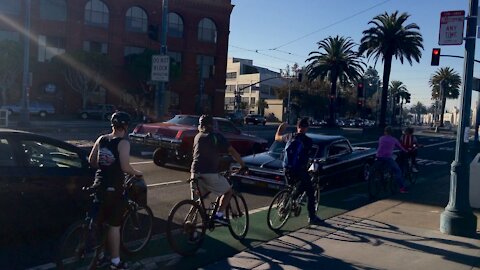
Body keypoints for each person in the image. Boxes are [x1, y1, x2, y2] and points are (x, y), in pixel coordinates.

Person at [88, 111, 142, 270]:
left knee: (98, 220)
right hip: (114, 188)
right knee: (114, 225)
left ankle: (99, 256)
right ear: (125, 126)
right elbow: (125, 167)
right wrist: (137, 173)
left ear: (112, 124)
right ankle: (115, 262)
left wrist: (105, 169)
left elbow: (92, 161)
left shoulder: (101, 139)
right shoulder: (123, 143)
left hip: (99, 185)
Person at [190, 114, 247, 225]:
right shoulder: (216, 136)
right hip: (209, 173)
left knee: (196, 202)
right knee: (228, 191)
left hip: (194, 172)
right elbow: (232, 151)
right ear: (212, 124)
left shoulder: (197, 136)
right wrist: (243, 165)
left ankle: (191, 227)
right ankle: (219, 215)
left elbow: (196, 153)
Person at [275, 118, 323, 225]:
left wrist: (280, 128)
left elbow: (277, 137)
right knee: (310, 192)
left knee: (291, 186)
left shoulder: (289, 136)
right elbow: (308, 156)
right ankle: (312, 217)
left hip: (287, 168)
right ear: (306, 128)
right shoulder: (308, 141)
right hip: (299, 170)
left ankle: (285, 204)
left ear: (297, 127)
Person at [376, 126, 409, 193]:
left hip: (378, 156)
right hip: (387, 157)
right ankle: (402, 188)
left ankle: (382, 177)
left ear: (385, 132)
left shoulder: (381, 138)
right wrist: (405, 151)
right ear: (391, 133)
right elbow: (400, 147)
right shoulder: (394, 140)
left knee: (382, 167)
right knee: (397, 170)